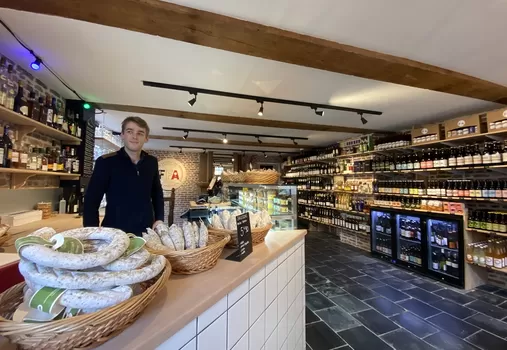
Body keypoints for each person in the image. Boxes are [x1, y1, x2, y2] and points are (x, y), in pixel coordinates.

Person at [83, 116, 164, 236]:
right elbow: (91, 201)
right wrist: (92, 233)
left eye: (140, 133)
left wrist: (159, 219)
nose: (134, 137)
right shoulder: (106, 162)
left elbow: (157, 193)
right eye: (130, 131)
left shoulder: (151, 162)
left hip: (146, 232)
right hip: (114, 232)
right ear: (122, 134)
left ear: (146, 138)